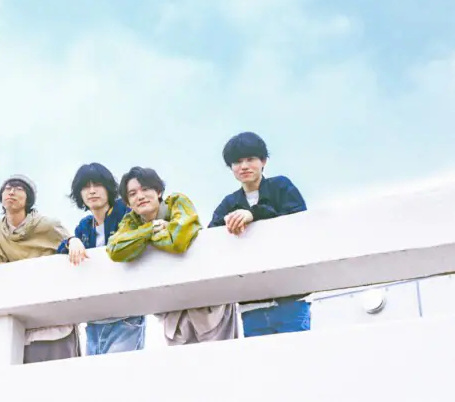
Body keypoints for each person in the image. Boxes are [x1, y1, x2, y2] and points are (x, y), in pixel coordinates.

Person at [107, 166, 238, 346]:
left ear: (158, 191)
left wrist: (142, 239)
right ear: (128, 203)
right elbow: (115, 249)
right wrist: (151, 229)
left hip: (208, 307)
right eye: (133, 193)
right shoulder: (131, 221)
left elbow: (178, 241)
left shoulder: (177, 202)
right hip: (173, 312)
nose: (140, 196)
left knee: (221, 358)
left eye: (146, 189)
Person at [208, 132, 308, 338]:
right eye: (237, 162)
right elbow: (211, 239)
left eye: (250, 159)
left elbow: (299, 221)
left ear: (263, 161)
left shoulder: (281, 186)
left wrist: (253, 214)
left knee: (296, 353)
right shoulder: (228, 203)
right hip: (251, 302)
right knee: (260, 357)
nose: (244, 166)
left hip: (290, 297)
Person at [0, 174, 81, 363]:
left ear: (28, 198)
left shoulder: (47, 225)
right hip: (22, 316)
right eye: (7, 188)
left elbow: (69, 242)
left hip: (55, 315)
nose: (11, 192)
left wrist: (74, 241)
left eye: (18, 188)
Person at [57, 163, 146, 355]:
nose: (91, 191)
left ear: (108, 188)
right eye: (85, 187)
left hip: (126, 316)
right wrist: (72, 241)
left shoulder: (126, 212)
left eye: (97, 184)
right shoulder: (85, 226)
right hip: (95, 320)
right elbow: (60, 253)